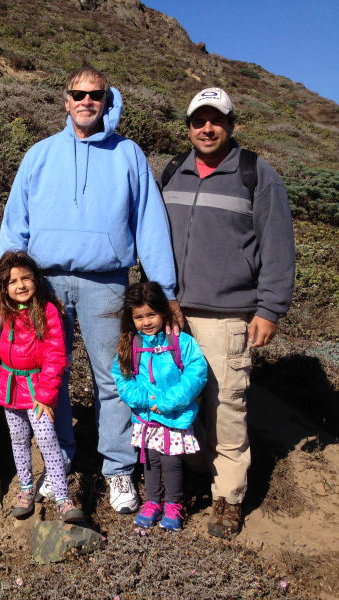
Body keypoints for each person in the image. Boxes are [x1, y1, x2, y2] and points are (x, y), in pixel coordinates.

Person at [0, 65, 180, 514]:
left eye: (95, 95)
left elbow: (150, 225)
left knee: (115, 377)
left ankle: (117, 471)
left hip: (108, 283)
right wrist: (8, 289)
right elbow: (14, 225)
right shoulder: (38, 155)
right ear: (65, 100)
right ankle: (57, 460)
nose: (85, 101)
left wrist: (166, 291)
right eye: (77, 94)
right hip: (46, 285)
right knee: (48, 377)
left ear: (107, 100)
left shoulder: (129, 155)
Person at [159, 87, 295, 538]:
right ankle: (196, 472)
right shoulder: (173, 171)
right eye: (199, 120)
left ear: (231, 125)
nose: (207, 128)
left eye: (216, 120)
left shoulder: (257, 173)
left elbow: (278, 246)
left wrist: (270, 308)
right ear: (189, 126)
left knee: (226, 406)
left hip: (230, 314)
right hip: (173, 312)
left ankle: (228, 497)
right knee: (181, 401)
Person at [0, 251, 84, 523]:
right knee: (18, 440)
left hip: (38, 388)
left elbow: (55, 355)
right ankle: (26, 490)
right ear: (3, 287)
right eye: (13, 281)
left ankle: (63, 498)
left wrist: (47, 396)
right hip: (10, 385)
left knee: (48, 441)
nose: (21, 285)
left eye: (26, 278)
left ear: (36, 280)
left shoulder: (47, 311)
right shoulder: (2, 312)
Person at [111, 282, 207, 531]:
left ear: (163, 312)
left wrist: (166, 401)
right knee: (150, 460)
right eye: (139, 317)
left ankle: (173, 504)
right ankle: (153, 501)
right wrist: (144, 400)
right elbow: (122, 378)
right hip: (146, 417)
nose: (145, 322)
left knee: (172, 462)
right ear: (131, 318)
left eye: (151, 314)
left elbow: (196, 374)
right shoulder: (130, 345)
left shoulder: (181, 342)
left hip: (174, 416)